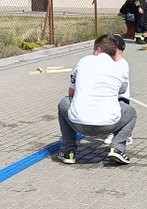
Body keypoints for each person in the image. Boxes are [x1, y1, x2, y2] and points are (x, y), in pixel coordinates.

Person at [58, 34, 136, 165]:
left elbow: (71, 92)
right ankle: (118, 148)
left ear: (98, 50)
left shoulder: (84, 61)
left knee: (64, 103)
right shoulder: (120, 68)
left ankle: (68, 151)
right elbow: (122, 91)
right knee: (131, 112)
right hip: (108, 125)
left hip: (79, 123)